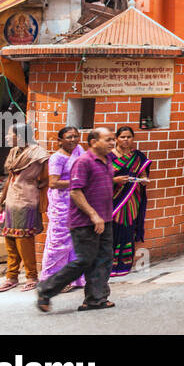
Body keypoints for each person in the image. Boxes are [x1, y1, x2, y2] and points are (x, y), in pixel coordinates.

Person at [36, 127, 117, 312]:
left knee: (104, 259)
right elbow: (75, 191)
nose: (112, 143)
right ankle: (46, 289)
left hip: (104, 218)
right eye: (107, 139)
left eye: (113, 139)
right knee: (84, 260)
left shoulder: (107, 160)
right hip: (85, 221)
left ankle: (95, 299)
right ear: (93, 142)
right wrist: (93, 215)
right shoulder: (84, 162)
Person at [0, 124, 48, 293]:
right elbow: (10, 178)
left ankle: (31, 276)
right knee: (10, 238)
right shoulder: (14, 152)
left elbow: (47, 178)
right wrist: (0, 202)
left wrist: (33, 187)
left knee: (24, 239)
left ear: (21, 135)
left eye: (10, 134)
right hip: (11, 199)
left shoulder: (38, 153)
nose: (7, 138)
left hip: (26, 200)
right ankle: (12, 276)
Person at [40, 126, 85, 290]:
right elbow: (53, 183)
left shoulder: (79, 150)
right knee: (58, 242)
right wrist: (78, 183)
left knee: (75, 241)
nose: (73, 140)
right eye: (68, 137)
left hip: (76, 202)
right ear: (60, 141)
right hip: (61, 205)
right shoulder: (57, 159)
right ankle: (51, 281)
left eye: (75, 136)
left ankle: (75, 278)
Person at [109, 126, 151, 276]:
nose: (126, 140)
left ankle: (124, 264)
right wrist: (115, 180)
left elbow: (143, 175)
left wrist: (144, 181)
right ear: (116, 139)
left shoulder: (138, 157)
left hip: (131, 199)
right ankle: (109, 265)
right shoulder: (108, 157)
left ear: (133, 139)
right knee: (112, 230)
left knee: (127, 228)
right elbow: (99, 179)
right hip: (112, 200)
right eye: (122, 137)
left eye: (129, 137)